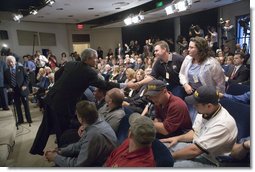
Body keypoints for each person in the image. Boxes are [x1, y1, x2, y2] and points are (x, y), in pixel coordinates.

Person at [30, 48, 129, 155]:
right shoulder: (89, 71)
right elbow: (104, 85)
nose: (96, 61)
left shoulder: (71, 64)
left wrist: (61, 87)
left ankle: (36, 149)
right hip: (62, 103)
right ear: (88, 59)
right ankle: (61, 153)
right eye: (95, 59)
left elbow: (58, 74)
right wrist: (122, 85)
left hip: (51, 97)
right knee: (61, 129)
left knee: (46, 125)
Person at [160, 85, 238, 167]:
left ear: (209, 106)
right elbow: (195, 133)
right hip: (197, 147)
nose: (194, 106)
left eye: (196, 105)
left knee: (173, 165)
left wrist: (168, 158)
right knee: (163, 147)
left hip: (213, 160)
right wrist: (177, 138)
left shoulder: (223, 124)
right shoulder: (204, 111)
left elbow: (195, 151)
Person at [44, 100, 117, 167]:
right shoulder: (97, 123)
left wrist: (55, 157)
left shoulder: (94, 134)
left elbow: (78, 165)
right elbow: (79, 145)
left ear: (81, 120)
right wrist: (60, 151)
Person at [179, 36, 225, 122]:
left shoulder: (212, 63)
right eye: (189, 47)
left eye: (191, 47)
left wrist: (215, 98)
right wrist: (185, 84)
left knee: (199, 119)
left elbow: (220, 83)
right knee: (189, 118)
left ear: (200, 49)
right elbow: (182, 74)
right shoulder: (188, 59)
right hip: (192, 93)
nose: (188, 49)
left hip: (206, 96)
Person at [4, 55, 32, 124]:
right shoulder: (6, 71)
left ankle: (29, 119)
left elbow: (27, 78)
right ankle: (20, 120)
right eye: (9, 62)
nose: (10, 63)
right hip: (14, 91)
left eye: (11, 62)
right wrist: (8, 88)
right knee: (17, 107)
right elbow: (5, 82)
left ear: (15, 62)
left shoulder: (21, 68)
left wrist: (25, 85)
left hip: (23, 90)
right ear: (7, 63)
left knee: (26, 106)